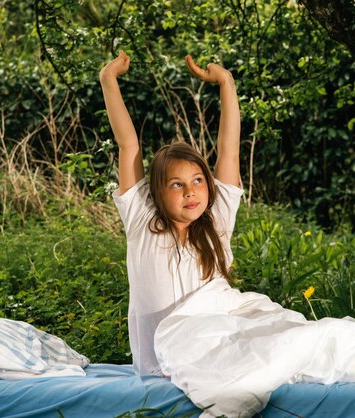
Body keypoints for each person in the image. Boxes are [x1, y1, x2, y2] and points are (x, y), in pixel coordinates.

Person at [99, 51, 243, 376]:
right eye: (176, 185)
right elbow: (129, 145)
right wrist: (108, 79)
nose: (190, 191)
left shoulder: (217, 220)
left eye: (197, 181)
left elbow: (229, 150)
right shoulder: (141, 220)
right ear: (156, 193)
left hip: (216, 360)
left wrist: (226, 83)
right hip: (159, 369)